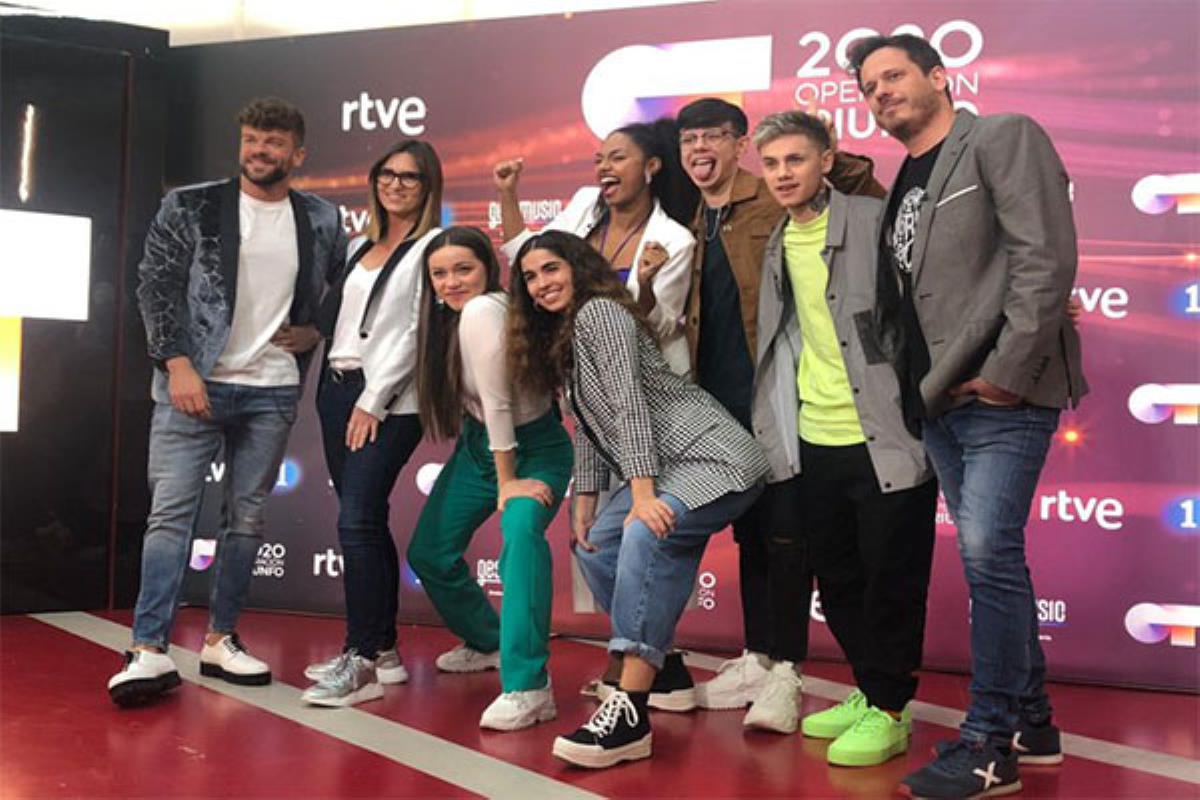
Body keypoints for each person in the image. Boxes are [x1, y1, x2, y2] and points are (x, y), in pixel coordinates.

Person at [848, 34, 1087, 798]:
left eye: (893, 76)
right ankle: (1036, 723)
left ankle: (990, 744)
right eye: (869, 86)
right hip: (938, 400)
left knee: (987, 554)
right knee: (994, 558)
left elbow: (1044, 259)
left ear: (939, 75)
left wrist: (1007, 376)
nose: (880, 93)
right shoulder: (904, 175)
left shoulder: (1001, 136)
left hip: (999, 396)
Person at [109, 97, 345, 706]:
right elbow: (155, 285)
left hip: (272, 388)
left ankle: (221, 639)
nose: (259, 151)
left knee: (246, 519)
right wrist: (176, 362)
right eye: (251, 140)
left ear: (297, 154)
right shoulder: (189, 205)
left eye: (273, 142)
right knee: (171, 517)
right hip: (192, 385)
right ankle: (148, 648)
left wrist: (315, 329)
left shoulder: (321, 218)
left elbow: (345, 285)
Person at [506, 229, 768, 768]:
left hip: (714, 458)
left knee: (646, 533)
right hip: (668, 466)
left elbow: (630, 405)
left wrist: (642, 497)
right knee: (597, 546)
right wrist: (585, 500)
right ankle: (664, 669)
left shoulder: (600, 312)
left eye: (551, 269)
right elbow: (590, 424)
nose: (541, 284)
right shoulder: (565, 333)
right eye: (530, 277)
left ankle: (630, 711)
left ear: (578, 268)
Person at [674, 97, 888, 729]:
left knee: (789, 534)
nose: (700, 149)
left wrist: (829, 156)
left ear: (741, 144)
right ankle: (760, 654)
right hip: (718, 401)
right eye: (689, 139)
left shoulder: (772, 197)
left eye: (714, 136)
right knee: (751, 532)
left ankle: (788, 671)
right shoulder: (695, 216)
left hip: (782, 397)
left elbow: (860, 194)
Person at [750, 110, 937, 763]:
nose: (783, 174)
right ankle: (870, 689)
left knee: (891, 580)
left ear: (826, 160)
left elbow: (928, 300)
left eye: (796, 159)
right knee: (836, 578)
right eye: (772, 164)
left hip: (885, 434)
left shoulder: (871, 219)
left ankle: (890, 708)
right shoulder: (777, 241)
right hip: (814, 436)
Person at [405, 226, 573, 731]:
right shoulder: (449, 319)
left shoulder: (484, 310)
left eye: (464, 269)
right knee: (429, 553)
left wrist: (507, 481)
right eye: (440, 274)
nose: (451, 282)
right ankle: (486, 641)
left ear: (489, 269)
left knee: (519, 538)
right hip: (479, 447)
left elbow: (499, 404)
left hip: (531, 451)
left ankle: (529, 686)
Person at [299, 140, 444, 707]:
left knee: (356, 521)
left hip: (387, 398)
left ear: (428, 186)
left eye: (409, 176)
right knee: (364, 519)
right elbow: (341, 318)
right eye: (387, 173)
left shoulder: (432, 247)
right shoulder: (361, 244)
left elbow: (415, 332)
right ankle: (382, 650)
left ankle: (359, 660)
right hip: (335, 388)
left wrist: (374, 399)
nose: (396, 184)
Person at [493, 118, 696, 376]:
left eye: (617, 158)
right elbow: (528, 254)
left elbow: (659, 328)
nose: (604, 167)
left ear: (651, 166)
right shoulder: (586, 203)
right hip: (586, 369)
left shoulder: (675, 240)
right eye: (599, 160)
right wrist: (507, 193)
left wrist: (645, 286)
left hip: (648, 377)